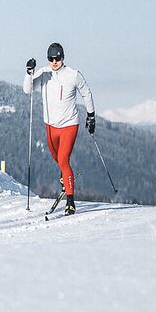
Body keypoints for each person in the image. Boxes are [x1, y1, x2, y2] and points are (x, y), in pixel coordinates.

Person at [24, 42, 95, 215]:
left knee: (63, 159)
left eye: (57, 58)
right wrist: (28, 73)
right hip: (50, 125)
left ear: (63, 58)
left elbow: (86, 93)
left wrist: (91, 115)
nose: (54, 62)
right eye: (51, 59)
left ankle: (70, 201)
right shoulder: (44, 74)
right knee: (56, 157)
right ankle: (65, 176)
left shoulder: (73, 75)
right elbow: (28, 89)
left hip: (69, 124)